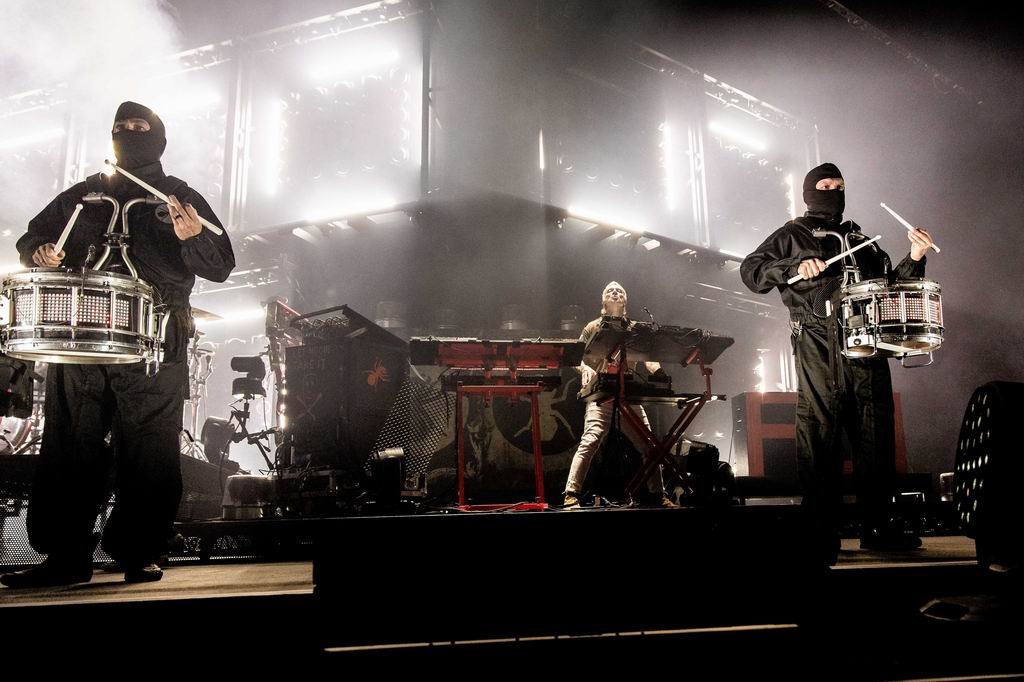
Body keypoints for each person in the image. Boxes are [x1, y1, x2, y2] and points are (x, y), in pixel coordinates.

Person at [1, 101, 235, 587]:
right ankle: (65, 556)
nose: (128, 133)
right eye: (120, 127)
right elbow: (32, 239)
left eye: (138, 127)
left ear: (158, 138)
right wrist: (38, 252)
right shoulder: (84, 194)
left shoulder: (179, 196)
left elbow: (220, 264)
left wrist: (192, 237)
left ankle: (139, 550)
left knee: (150, 447)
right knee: (69, 442)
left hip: (157, 335)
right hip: (82, 335)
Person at [740, 162, 934, 563]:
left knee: (875, 434)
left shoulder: (862, 240)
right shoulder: (791, 234)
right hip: (817, 343)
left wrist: (915, 256)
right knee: (819, 431)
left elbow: (892, 290)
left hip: (866, 346)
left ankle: (877, 526)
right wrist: (794, 267)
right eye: (825, 185)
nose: (833, 192)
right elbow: (751, 271)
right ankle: (819, 529)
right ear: (809, 191)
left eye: (839, 186)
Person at [562, 281, 675, 508]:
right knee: (591, 440)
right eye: (610, 291)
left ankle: (658, 495)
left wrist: (659, 372)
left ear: (625, 300)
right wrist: (585, 369)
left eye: (619, 291)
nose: (615, 292)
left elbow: (649, 358)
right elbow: (575, 356)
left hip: (628, 395)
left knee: (649, 445)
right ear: (603, 300)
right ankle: (570, 494)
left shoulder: (636, 328)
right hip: (601, 395)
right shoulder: (593, 326)